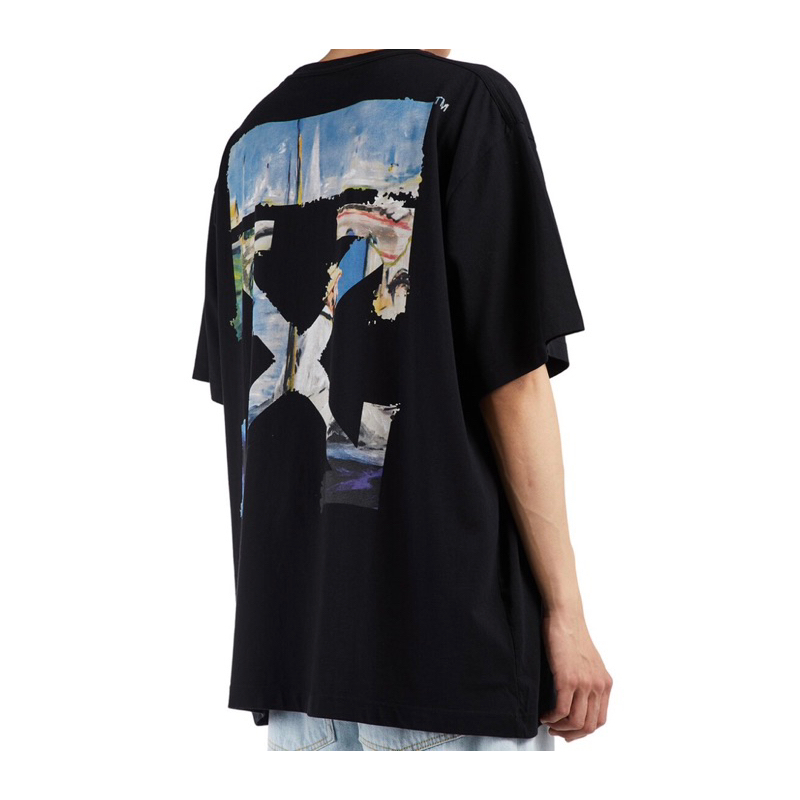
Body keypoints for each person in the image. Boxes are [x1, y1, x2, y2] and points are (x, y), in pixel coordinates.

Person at [192, 48, 612, 751]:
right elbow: (514, 381)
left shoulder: (249, 142)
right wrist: (567, 616)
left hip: (298, 663)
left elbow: (238, 391)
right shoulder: (466, 104)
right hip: (444, 651)